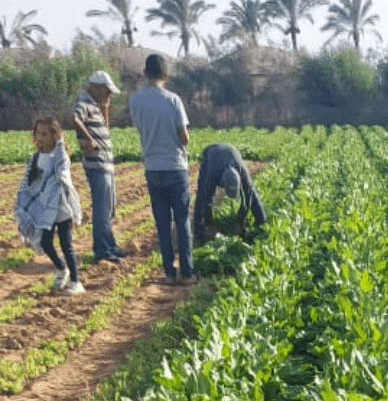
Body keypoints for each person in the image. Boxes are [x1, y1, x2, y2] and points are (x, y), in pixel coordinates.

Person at [129, 54, 197, 286]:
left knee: (163, 224)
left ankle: (169, 272)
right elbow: (184, 137)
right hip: (175, 166)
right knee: (182, 221)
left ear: (145, 73)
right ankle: (187, 273)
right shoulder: (173, 100)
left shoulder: (136, 102)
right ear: (166, 76)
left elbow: (140, 129)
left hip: (152, 167)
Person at [15, 116, 85, 295]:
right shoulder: (36, 158)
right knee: (46, 243)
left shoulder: (60, 155)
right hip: (45, 210)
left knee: (66, 244)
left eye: (45, 134)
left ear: (54, 136)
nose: (40, 137)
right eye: (38, 133)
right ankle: (62, 269)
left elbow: (62, 170)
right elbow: (30, 185)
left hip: (61, 208)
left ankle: (76, 282)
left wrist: (61, 142)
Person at [73, 70, 126, 263]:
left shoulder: (95, 105)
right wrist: (89, 140)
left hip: (105, 164)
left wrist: (105, 107)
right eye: (107, 91)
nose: (108, 95)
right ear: (95, 88)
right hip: (97, 164)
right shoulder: (84, 104)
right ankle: (102, 251)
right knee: (102, 209)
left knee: (109, 207)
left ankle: (110, 246)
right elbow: (75, 119)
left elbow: (105, 127)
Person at [193, 143, 267, 246]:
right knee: (202, 194)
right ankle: (199, 233)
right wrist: (209, 224)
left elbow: (249, 196)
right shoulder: (213, 175)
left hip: (233, 152)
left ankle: (262, 224)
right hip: (212, 152)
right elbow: (207, 199)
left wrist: (240, 221)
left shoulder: (243, 172)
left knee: (252, 193)